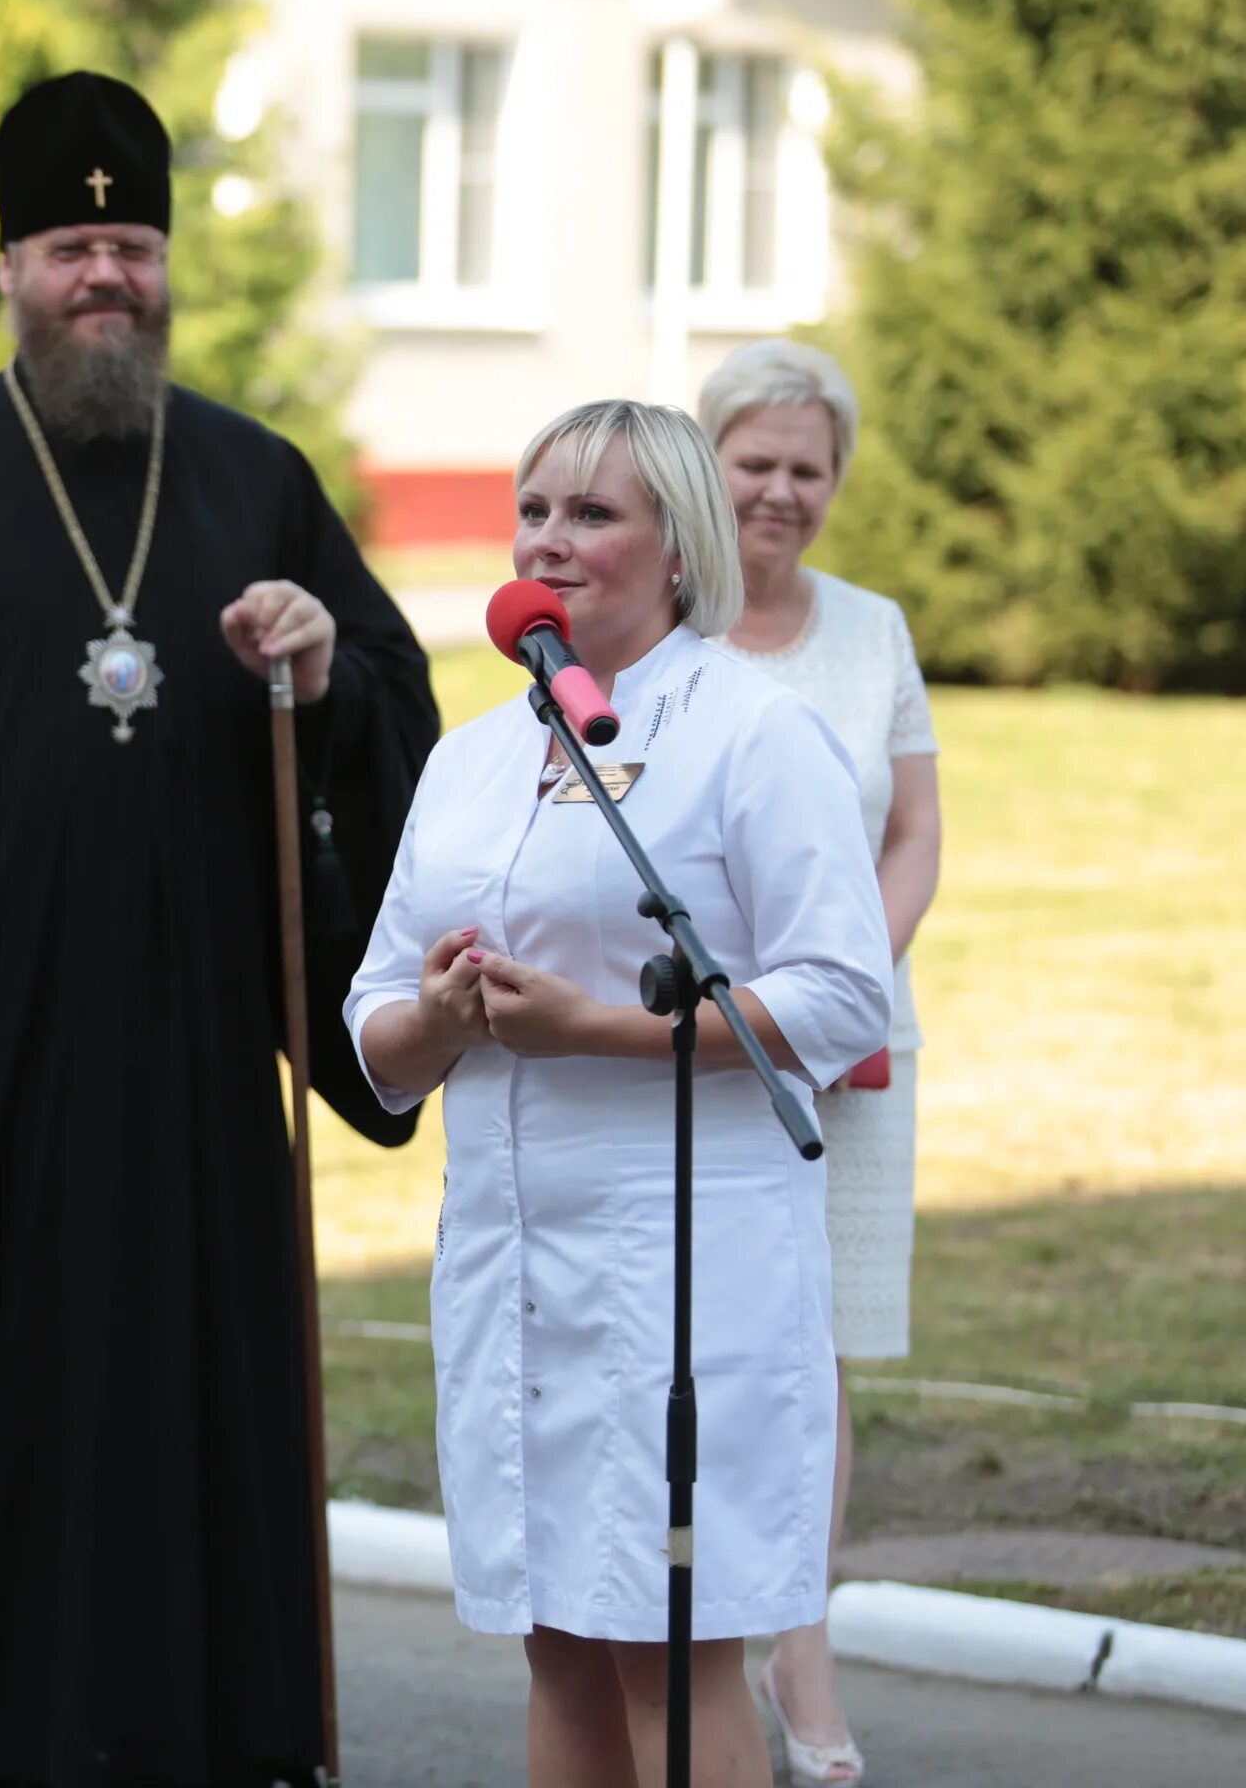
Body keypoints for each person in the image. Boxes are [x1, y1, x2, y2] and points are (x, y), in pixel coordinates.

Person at [0, 70, 442, 1788]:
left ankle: (180, 1734)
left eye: (129, 244)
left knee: (172, 1422)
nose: (101, 276)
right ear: (8, 270)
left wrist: (323, 674)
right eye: (67, 246)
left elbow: (403, 715)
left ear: (170, 264)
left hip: (190, 1074)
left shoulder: (258, 481)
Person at [346, 399, 891, 1788]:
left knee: (667, 1640)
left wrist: (596, 1026)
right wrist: (440, 1015)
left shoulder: (751, 733)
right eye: (536, 510)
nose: (551, 539)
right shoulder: (471, 758)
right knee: (559, 1639)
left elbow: (838, 995)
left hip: (679, 1266)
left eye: (593, 514)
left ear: (681, 548)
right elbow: (373, 1029)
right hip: (514, 1258)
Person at [700, 338, 941, 1786]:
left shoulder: (873, 629)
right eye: (756, 464)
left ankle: (800, 1646)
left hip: (851, 1058)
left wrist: (847, 988)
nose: (782, 492)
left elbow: (911, 833)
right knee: (719, 1346)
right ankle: (707, 1639)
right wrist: (748, 1011)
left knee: (820, 1353)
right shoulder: (666, 629)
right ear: (706, 464)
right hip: (695, 1047)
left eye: (809, 468)